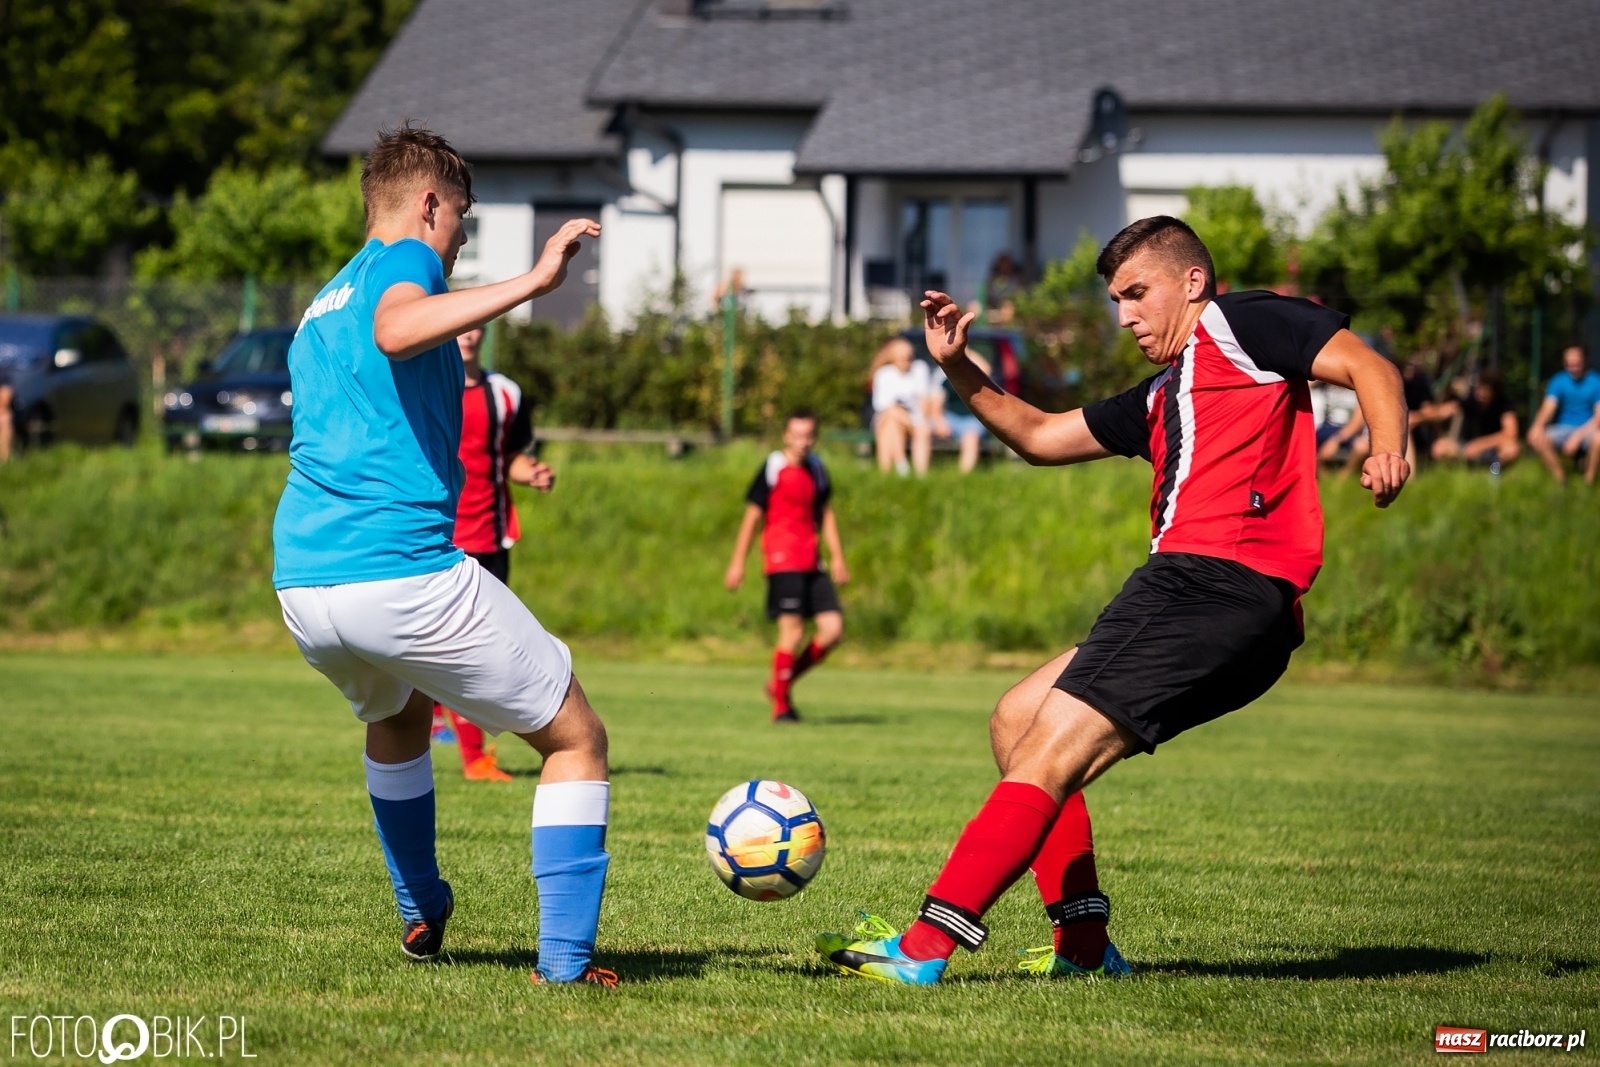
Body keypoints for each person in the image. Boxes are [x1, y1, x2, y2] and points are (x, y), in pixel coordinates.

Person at [817, 216, 1410, 985]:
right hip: (1225, 601)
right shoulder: (1164, 391)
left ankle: (925, 948)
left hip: (1211, 581)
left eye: (1137, 293)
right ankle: (1086, 949)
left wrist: (1387, 444)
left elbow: (1373, 369)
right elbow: (1038, 434)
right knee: (1019, 718)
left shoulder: (1240, 323)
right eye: (1116, 300)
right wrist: (957, 365)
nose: (1125, 314)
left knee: (1050, 748)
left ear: (1192, 283)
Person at [271, 122, 616, 986]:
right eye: (461, 220)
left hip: (306, 585)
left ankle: (421, 906)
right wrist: (536, 280)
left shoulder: (323, 301)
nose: (459, 241)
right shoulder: (403, 266)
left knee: (396, 719)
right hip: (400, 569)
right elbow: (399, 330)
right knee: (577, 738)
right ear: (429, 204)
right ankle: (567, 965)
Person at [430, 325, 557, 783]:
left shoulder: (504, 393)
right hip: (435, 534)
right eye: (458, 324)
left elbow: (508, 458)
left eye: (475, 324)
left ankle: (454, 732)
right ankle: (473, 756)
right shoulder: (426, 381)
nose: (467, 333)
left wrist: (533, 473)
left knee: (479, 642)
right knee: (453, 643)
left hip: (490, 536)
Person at [725, 409, 850, 722]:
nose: (802, 442)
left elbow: (825, 513)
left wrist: (837, 556)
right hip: (783, 561)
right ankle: (781, 706)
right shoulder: (773, 466)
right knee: (791, 633)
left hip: (812, 560)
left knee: (833, 630)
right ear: (785, 435)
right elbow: (752, 517)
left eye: (808, 435)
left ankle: (780, 683)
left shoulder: (818, 469)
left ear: (815, 437)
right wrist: (737, 562)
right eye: (796, 435)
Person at [1527, 344, 1600, 483]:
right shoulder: (1558, 381)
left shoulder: (1596, 382)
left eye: (1576, 359)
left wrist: (1578, 436)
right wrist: (1537, 426)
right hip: (1563, 427)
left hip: (1588, 428)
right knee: (1540, 438)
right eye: (1569, 359)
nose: (1573, 363)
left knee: (1598, 439)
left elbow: (1599, 417)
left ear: (1584, 359)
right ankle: (1561, 478)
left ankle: (1589, 481)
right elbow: (1548, 408)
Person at [1431, 371, 1519, 472]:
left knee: (1511, 449)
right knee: (1439, 448)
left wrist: (1480, 445)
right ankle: (1460, 472)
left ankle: (1496, 471)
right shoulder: (1470, 401)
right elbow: (1443, 411)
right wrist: (1419, 416)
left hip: (1493, 448)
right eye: (1479, 388)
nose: (1480, 392)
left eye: (1485, 389)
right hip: (1466, 447)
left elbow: (1510, 433)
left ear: (1495, 391)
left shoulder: (1504, 406)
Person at [871, 337, 933, 475]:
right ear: (893, 357)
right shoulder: (884, 374)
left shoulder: (920, 368)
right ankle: (895, 467)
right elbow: (885, 407)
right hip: (892, 417)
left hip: (915, 418)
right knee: (890, 422)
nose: (907, 361)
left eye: (909, 357)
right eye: (902, 357)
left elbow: (924, 398)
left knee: (921, 429)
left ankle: (914, 472)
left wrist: (921, 420)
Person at [929, 349, 996, 473]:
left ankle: (963, 476)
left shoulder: (975, 372)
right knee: (923, 429)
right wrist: (939, 422)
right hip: (950, 417)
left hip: (971, 419)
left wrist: (963, 350)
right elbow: (936, 403)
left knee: (971, 437)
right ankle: (922, 473)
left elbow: (987, 369)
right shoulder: (942, 375)